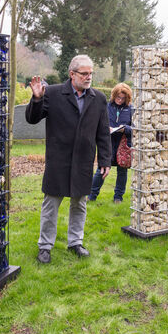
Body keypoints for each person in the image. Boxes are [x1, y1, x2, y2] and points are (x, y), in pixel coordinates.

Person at [26, 55, 111, 262]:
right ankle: (45, 247)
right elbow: (32, 118)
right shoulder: (53, 93)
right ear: (72, 74)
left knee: (79, 203)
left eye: (91, 73)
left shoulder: (98, 98)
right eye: (84, 73)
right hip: (58, 160)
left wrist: (105, 160)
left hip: (83, 160)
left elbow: (103, 133)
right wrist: (37, 99)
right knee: (51, 204)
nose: (88, 77)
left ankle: (75, 242)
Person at [88, 83, 133, 203]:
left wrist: (125, 129)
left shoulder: (131, 109)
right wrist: (104, 128)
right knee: (101, 169)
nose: (120, 100)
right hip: (107, 142)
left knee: (122, 171)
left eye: (123, 98)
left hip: (122, 144)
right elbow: (97, 122)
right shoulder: (106, 107)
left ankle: (118, 197)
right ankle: (91, 196)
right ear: (113, 95)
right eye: (118, 97)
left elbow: (135, 128)